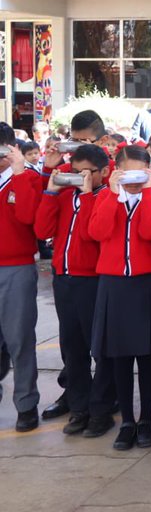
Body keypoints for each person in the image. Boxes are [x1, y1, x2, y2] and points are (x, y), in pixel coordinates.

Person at [87, 145, 151, 449]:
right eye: (127, 173)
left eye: (140, 173)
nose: (133, 180)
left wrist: (146, 192)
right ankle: (128, 421)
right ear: (117, 170)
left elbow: (150, 233)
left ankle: (146, 419)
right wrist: (111, 194)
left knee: (146, 356)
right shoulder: (107, 197)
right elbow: (98, 231)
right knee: (119, 357)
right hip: (114, 284)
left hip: (145, 282)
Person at [35, 142, 115, 437]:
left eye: (86, 173)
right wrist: (51, 192)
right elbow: (42, 231)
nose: (78, 178)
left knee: (100, 349)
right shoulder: (64, 196)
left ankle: (101, 409)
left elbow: (92, 234)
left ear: (103, 172)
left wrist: (87, 197)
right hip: (64, 278)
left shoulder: (107, 196)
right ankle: (79, 407)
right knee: (73, 348)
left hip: (93, 280)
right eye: (73, 172)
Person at [0, 130, 43, 432]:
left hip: (15, 267)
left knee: (20, 339)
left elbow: (30, 219)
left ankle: (26, 404)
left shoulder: (28, 178)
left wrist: (17, 172)